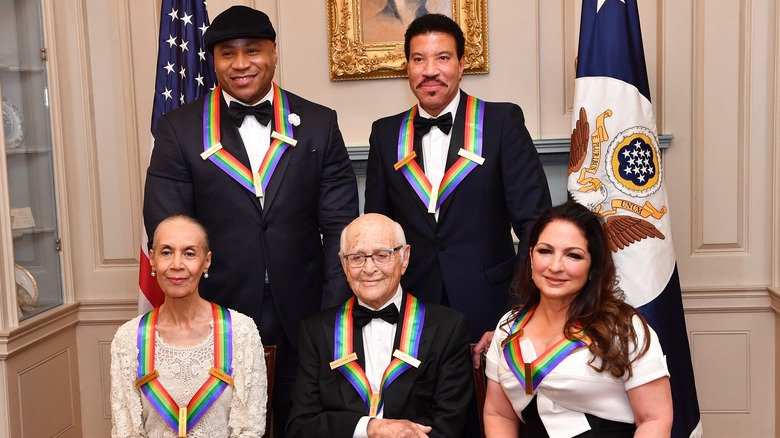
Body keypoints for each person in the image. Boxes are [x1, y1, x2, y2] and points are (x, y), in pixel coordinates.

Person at [143, 6, 359, 435]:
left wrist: (330, 311)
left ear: (274, 53)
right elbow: (168, 229)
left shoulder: (318, 123)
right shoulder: (178, 130)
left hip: (305, 311)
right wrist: (196, 306)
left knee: (303, 423)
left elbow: (340, 228)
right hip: (214, 312)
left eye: (253, 50)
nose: (240, 64)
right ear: (213, 61)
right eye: (227, 54)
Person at [364, 13, 552, 347]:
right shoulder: (385, 133)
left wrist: (515, 315)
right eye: (419, 59)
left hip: (491, 306)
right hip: (413, 311)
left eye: (443, 58)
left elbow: (535, 226)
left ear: (462, 64)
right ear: (406, 66)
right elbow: (378, 231)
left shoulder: (501, 122)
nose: (430, 70)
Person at [483, 202, 673, 437]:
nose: (555, 266)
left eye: (573, 255)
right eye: (545, 251)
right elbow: (498, 414)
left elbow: (654, 419)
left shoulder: (624, 328)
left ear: (593, 265)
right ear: (531, 256)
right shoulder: (508, 327)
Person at [287, 213, 473, 438]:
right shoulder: (315, 332)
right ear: (343, 264)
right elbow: (300, 426)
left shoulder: (448, 329)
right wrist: (370, 427)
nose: (369, 268)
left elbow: (448, 427)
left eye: (381, 255)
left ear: (404, 258)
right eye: (357, 257)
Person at [111, 215, 267, 437]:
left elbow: (250, 429)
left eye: (189, 253)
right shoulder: (128, 339)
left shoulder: (241, 332)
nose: (177, 264)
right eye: (166, 252)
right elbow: (126, 431)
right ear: (152, 259)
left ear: (207, 261)